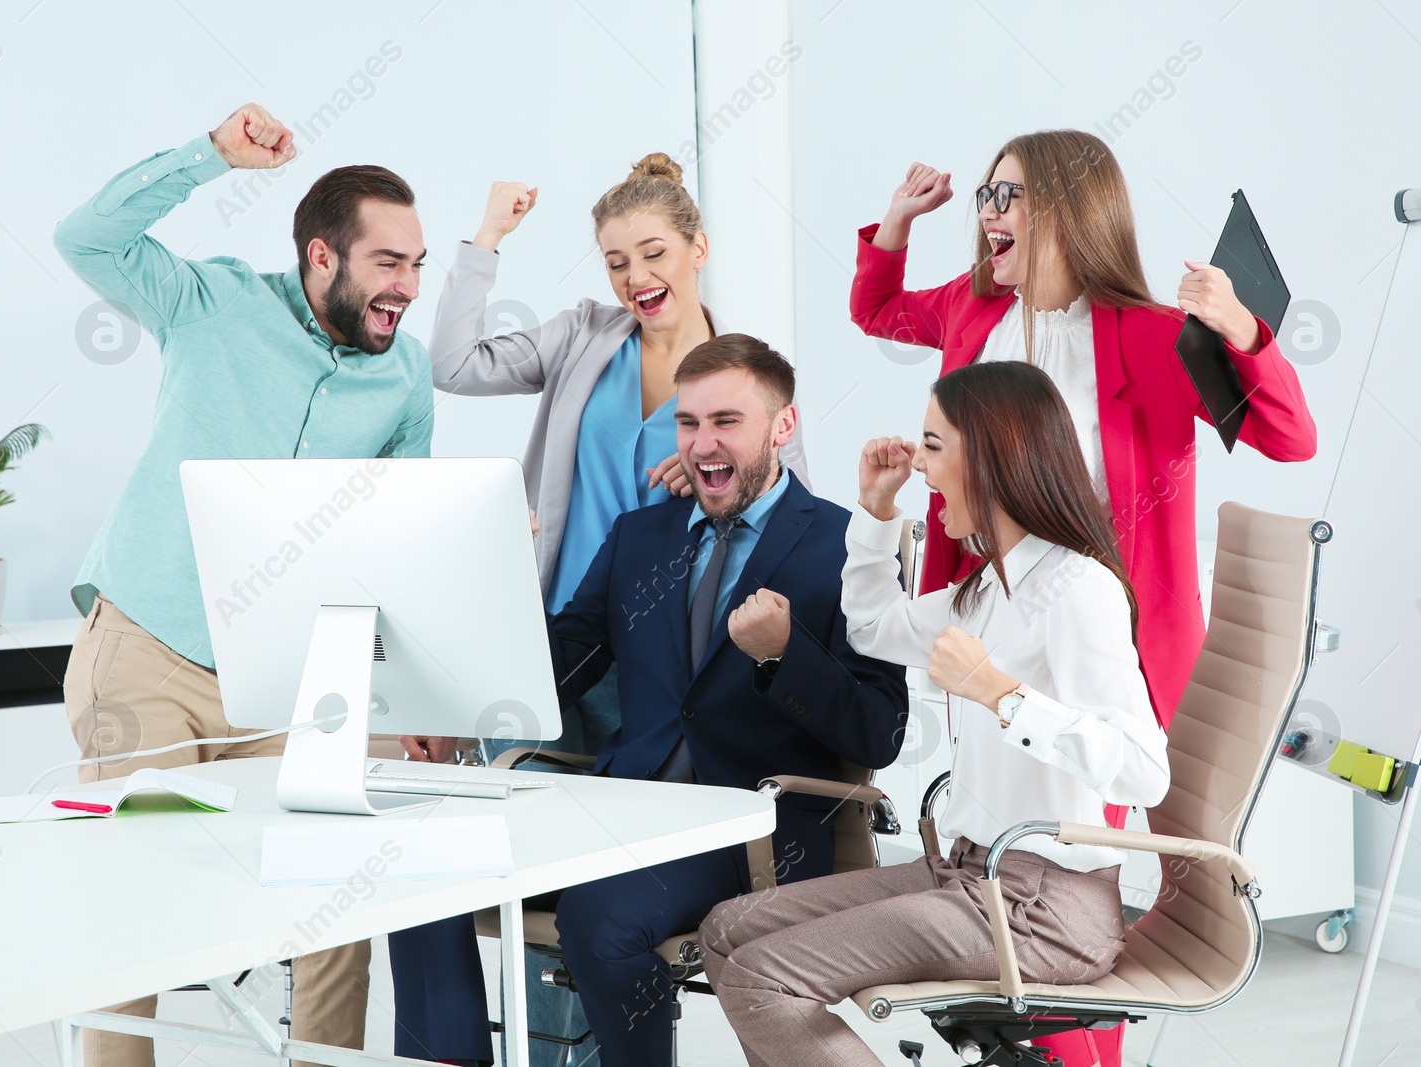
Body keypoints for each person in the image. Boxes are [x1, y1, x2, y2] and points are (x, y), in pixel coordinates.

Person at [850, 131, 1314, 1067]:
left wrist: (1240, 330)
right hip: (998, 626)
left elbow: (1288, 438)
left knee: (1077, 879)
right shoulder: (971, 314)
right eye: (985, 195)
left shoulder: (1150, 334)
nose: (988, 214)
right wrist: (895, 223)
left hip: (1112, 639)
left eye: (1008, 196)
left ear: (1069, 209)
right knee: (1008, 859)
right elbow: (878, 311)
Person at [398, 156, 808, 1064]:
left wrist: (711, 490)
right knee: (529, 872)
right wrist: (486, 241)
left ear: (699, 248)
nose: (634, 277)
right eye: (615, 259)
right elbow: (454, 364)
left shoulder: (743, 382)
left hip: (666, 663)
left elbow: (786, 533)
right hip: (564, 638)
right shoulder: (587, 335)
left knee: (604, 883)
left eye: (652, 252)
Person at [400, 335, 906, 1066]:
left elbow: (879, 729)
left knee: (599, 917)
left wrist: (782, 655)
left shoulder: (847, 543)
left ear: (783, 426)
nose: (703, 443)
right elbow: (557, 665)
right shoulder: (642, 535)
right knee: (422, 866)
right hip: (621, 807)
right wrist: (493, 604)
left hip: (750, 828)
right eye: (688, 422)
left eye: (726, 421)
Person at [53, 102, 436, 1067]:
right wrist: (211, 156)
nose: (409, 286)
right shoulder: (210, 303)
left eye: (418, 265)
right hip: (151, 647)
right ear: (321, 257)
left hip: (285, 675)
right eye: (390, 263)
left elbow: (394, 537)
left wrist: (418, 684)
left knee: (333, 896)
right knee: (137, 911)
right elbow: (85, 238)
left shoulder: (406, 377)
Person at [700, 360, 1171, 1067]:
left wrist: (1001, 694)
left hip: (1045, 909)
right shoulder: (989, 587)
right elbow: (874, 629)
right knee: (726, 930)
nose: (918, 462)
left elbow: (1144, 770)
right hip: (966, 875)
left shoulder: (1078, 588)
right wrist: (876, 514)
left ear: (991, 456)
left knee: (764, 975)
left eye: (933, 444)